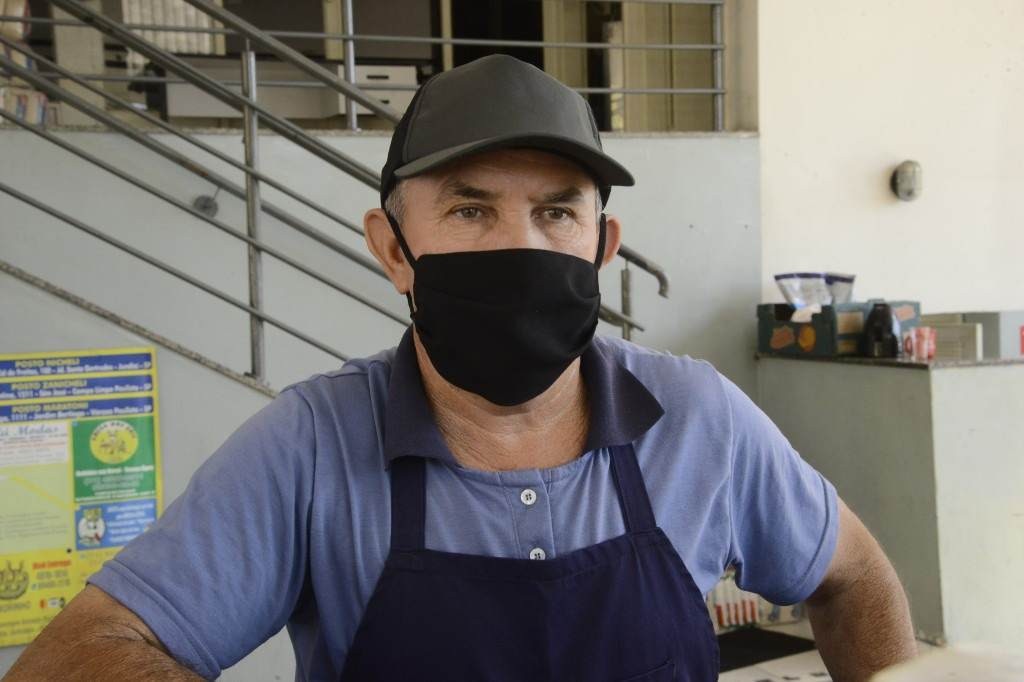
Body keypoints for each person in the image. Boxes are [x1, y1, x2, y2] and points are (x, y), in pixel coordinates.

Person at [4, 54, 916, 682]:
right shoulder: (312, 447)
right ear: (392, 250)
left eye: (558, 212)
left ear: (603, 245)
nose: (522, 246)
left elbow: (854, 576)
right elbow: (78, 655)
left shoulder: (697, 418)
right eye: (470, 212)